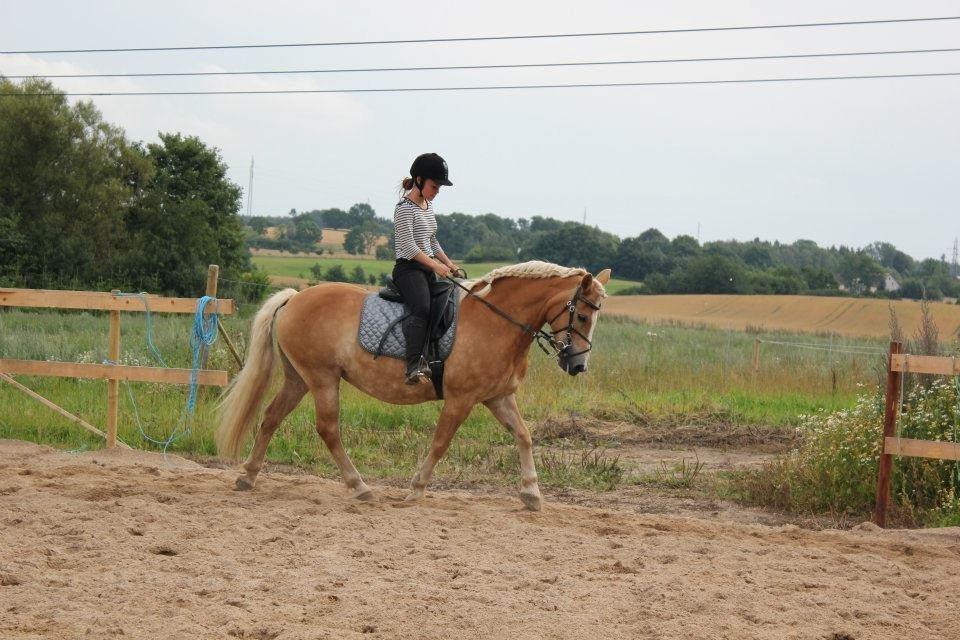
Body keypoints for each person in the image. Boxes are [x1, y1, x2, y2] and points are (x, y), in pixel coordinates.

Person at [392, 153, 460, 384]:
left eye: (439, 186)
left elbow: (431, 241)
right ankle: (413, 365)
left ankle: (433, 356)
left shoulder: (427, 206)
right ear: (419, 180)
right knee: (422, 306)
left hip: (427, 268)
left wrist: (449, 264)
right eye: (434, 185)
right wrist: (435, 265)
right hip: (408, 269)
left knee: (446, 302)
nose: (437, 191)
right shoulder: (404, 209)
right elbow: (409, 246)